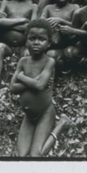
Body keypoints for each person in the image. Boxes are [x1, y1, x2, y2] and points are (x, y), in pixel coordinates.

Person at [10, 22, 57, 157]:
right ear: (26, 41)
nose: (36, 43)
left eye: (41, 39)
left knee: (36, 155)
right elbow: (12, 87)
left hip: (45, 112)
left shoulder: (49, 62)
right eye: (32, 39)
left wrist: (21, 77)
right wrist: (33, 81)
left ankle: (62, 125)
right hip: (29, 116)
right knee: (21, 155)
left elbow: (40, 86)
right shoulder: (23, 61)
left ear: (48, 43)